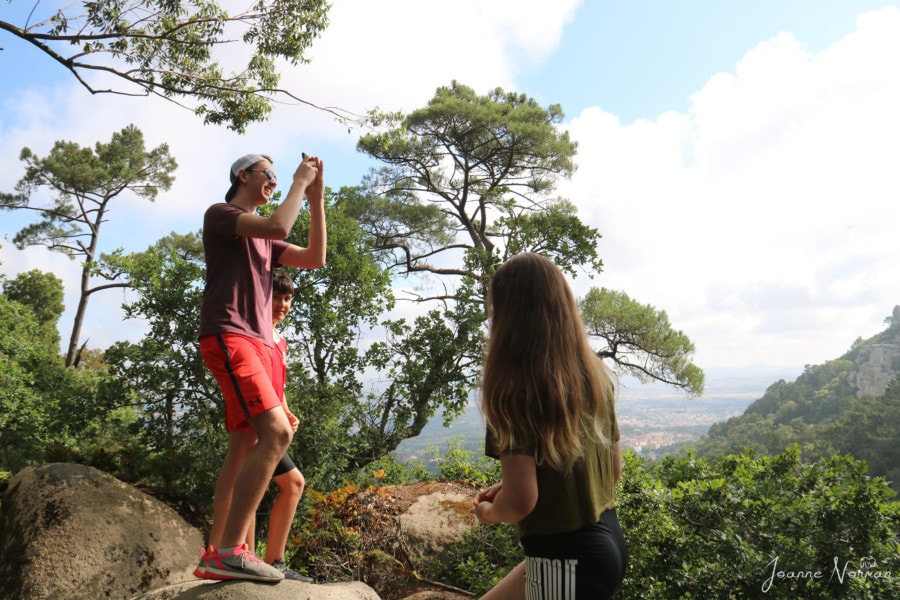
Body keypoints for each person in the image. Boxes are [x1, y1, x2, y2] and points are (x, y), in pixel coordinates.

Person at [194, 152, 325, 582]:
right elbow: (277, 225)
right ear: (242, 175)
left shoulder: (266, 239)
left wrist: (316, 200)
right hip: (231, 335)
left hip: (255, 342)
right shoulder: (223, 214)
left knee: (247, 445)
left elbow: (313, 258)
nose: (272, 181)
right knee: (277, 432)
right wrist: (298, 182)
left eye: (275, 176)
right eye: (267, 174)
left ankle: (226, 549)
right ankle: (230, 551)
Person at [470, 252, 627, 600]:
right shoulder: (596, 375)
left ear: (505, 315)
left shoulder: (512, 391)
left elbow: (522, 503)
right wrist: (508, 483)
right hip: (606, 542)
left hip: (566, 560)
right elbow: (612, 472)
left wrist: (489, 512)